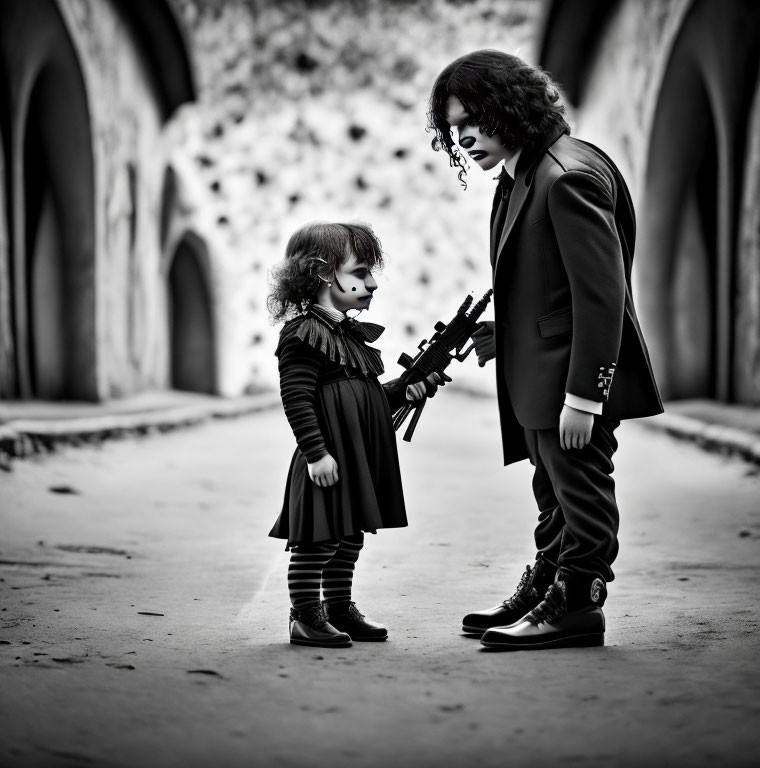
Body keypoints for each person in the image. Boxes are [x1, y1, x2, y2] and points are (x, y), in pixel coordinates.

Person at [427, 50, 663, 650]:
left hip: (568, 384)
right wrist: (502, 336)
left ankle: (577, 603)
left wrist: (586, 396)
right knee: (553, 494)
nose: (465, 136)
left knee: (580, 492)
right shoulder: (525, 171)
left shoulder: (566, 176)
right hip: (540, 379)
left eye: (474, 119)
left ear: (510, 105)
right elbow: (547, 281)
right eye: (455, 128)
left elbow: (601, 298)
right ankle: (547, 586)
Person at [267, 221, 439, 648]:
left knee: (349, 536)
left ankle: (338, 607)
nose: (372, 282)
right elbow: (297, 396)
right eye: (360, 272)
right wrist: (315, 453)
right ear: (324, 272)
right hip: (329, 452)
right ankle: (305, 615)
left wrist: (403, 389)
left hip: (354, 450)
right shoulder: (303, 333)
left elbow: (363, 390)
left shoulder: (346, 333)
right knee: (318, 536)